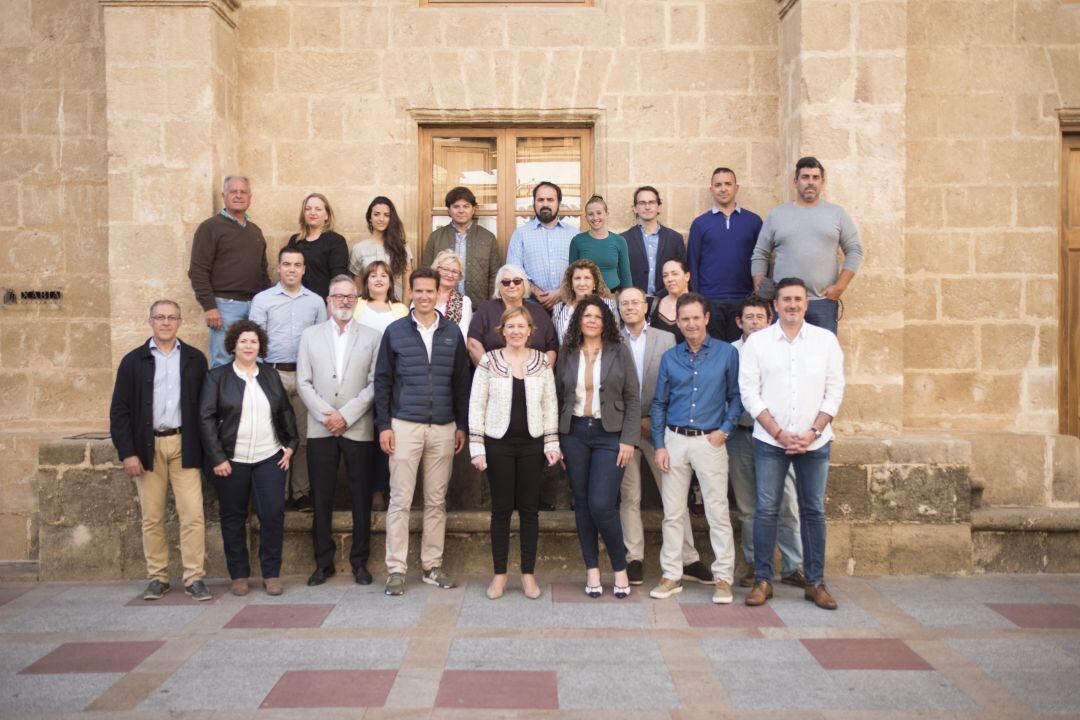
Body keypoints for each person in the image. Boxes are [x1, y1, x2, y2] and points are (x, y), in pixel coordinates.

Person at [739, 277, 845, 610]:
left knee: (813, 512)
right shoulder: (758, 343)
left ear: (806, 304)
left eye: (798, 299)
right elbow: (749, 393)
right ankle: (763, 580)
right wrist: (778, 432)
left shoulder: (825, 341)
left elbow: (835, 390)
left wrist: (813, 431)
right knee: (766, 510)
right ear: (775, 305)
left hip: (815, 443)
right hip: (770, 442)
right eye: (786, 299)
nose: (792, 305)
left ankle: (815, 582)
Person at [375, 268, 472, 596]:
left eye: (430, 291)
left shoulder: (452, 332)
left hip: (443, 427)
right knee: (400, 499)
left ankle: (432, 565)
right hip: (405, 425)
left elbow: (461, 382)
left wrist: (462, 424)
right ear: (411, 293)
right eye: (419, 291)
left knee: (435, 500)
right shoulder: (396, 332)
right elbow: (383, 381)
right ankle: (396, 568)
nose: (425, 296)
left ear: (438, 293)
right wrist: (384, 425)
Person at [109, 300, 210, 601]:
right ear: (150, 321)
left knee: (192, 514)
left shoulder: (194, 359)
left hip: (184, 445)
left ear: (179, 322)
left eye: (171, 318)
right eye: (160, 318)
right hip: (146, 448)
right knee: (152, 517)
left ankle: (194, 577)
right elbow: (119, 411)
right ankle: (158, 577)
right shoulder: (132, 361)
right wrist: (128, 452)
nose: (166, 323)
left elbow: (205, 408)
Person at [649, 293, 742, 604]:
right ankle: (671, 574)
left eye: (695, 317)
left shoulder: (727, 354)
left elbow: (736, 396)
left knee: (717, 512)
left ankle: (723, 578)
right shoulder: (670, 357)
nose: (690, 323)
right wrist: (660, 445)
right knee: (673, 513)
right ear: (677, 321)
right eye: (684, 318)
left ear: (706, 318)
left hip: (709, 441)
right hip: (674, 440)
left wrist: (725, 430)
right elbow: (659, 403)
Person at [615, 287, 711, 587]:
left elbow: (674, 383)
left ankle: (689, 558)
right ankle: (635, 558)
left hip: (660, 429)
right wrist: (633, 422)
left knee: (674, 495)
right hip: (624, 431)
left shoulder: (666, 338)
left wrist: (653, 420)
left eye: (635, 302)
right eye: (624, 303)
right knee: (630, 496)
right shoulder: (611, 339)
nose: (630, 307)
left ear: (646, 306)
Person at [199, 320, 298, 597]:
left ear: (260, 346)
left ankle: (271, 574)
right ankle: (239, 575)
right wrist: (218, 458)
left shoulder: (269, 376)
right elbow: (205, 419)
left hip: (269, 457)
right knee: (233, 517)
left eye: (253, 341)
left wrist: (290, 446)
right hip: (232, 460)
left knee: (273, 515)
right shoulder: (217, 377)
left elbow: (285, 413)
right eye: (243, 341)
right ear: (233, 345)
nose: (248, 346)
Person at [469, 305, 561, 600]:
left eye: (522, 326)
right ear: (502, 331)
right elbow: (477, 404)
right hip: (498, 443)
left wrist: (551, 443)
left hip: (533, 444)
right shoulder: (489, 361)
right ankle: (499, 575)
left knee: (530, 511)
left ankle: (528, 575)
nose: (516, 332)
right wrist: (476, 447)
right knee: (501, 510)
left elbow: (550, 404)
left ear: (530, 331)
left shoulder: (540, 363)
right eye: (511, 327)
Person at [297, 275, 382, 587]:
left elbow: (376, 382)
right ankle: (323, 562)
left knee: (360, 497)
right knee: (321, 497)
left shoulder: (372, 336)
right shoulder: (310, 336)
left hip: (357, 427)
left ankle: (359, 561)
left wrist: (345, 415)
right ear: (328, 300)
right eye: (338, 296)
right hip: (321, 429)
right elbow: (303, 382)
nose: (344, 301)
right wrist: (326, 415)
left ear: (356, 301)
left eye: (350, 296)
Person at [555, 296, 640, 598]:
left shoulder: (619, 352)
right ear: (578, 320)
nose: (591, 320)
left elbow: (632, 397)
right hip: (574, 433)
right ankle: (591, 570)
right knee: (582, 503)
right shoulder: (567, 353)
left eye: (598, 316)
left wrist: (628, 439)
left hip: (610, 435)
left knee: (602, 504)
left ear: (606, 322)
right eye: (586, 315)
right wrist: (556, 440)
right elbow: (557, 398)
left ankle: (619, 569)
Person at [728, 295, 804, 589]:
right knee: (748, 506)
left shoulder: (781, 350)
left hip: (777, 438)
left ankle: (792, 565)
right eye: (749, 317)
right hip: (742, 436)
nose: (755, 322)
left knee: (786, 502)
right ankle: (754, 564)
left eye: (760, 317)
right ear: (739, 322)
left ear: (769, 319)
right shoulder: (731, 353)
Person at [248, 247, 325, 512]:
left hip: (305, 375)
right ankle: (277, 492)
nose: (291, 269)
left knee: (303, 436)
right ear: (278, 268)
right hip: (273, 374)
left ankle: (301, 492)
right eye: (286, 264)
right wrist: (260, 376)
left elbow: (322, 340)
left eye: (297, 265)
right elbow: (254, 339)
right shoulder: (263, 300)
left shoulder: (316, 302)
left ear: (304, 269)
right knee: (275, 435)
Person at [751, 157, 864, 334]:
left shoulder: (837, 214)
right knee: (782, 357)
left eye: (815, 177)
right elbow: (760, 253)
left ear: (822, 182)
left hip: (822, 303)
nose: (810, 182)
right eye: (805, 177)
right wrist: (760, 285)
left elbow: (854, 250)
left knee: (821, 359)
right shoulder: (777, 215)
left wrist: (840, 286)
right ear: (795, 182)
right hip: (785, 303)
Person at [188, 174, 270, 368]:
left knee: (255, 360)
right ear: (224, 195)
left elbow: (263, 272)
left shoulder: (255, 231)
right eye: (234, 191)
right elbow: (198, 270)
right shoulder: (210, 227)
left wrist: (266, 304)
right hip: (225, 307)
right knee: (222, 360)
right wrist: (209, 306)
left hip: (255, 307)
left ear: (250, 197)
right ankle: (222, 399)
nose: (239, 195)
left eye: (243, 192)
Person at [353, 260, 409, 511]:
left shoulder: (400, 310)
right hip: (358, 379)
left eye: (383, 275)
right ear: (365, 282)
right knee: (359, 439)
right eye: (373, 275)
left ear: (391, 281)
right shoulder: (357, 305)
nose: (378, 279)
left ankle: (378, 490)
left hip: (390, 382)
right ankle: (358, 489)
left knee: (382, 438)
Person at [687, 167, 763, 342]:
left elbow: (762, 259)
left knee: (743, 352)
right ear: (711, 189)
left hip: (744, 300)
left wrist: (757, 297)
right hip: (711, 300)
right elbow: (693, 262)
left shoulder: (754, 221)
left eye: (728, 184)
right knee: (715, 354)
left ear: (736, 188)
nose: (723, 189)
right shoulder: (700, 223)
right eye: (718, 185)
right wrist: (699, 300)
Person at [420, 186, 502, 308]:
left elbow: (495, 276)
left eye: (466, 206)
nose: (461, 211)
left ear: (473, 209)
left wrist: (491, 307)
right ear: (449, 210)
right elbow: (426, 273)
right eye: (456, 206)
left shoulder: (488, 238)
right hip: (441, 306)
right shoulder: (435, 237)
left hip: (478, 308)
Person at [468, 264, 558, 367]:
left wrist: (542, 374)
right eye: (506, 282)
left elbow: (552, 347)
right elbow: (473, 343)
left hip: (534, 378)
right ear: (499, 286)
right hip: (493, 377)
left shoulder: (539, 311)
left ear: (524, 285)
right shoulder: (486, 309)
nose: (512, 285)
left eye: (517, 281)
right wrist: (491, 371)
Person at [506, 181, 578, 309]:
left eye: (550, 200)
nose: (545, 204)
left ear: (559, 203)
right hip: (531, 306)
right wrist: (538, 293)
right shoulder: (520, 234)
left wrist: (561, 292)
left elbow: (582, 269)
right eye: (540, 200)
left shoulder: (574, 235)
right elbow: (514, 271)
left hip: (568, 305)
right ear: (534, 203)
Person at [621, 185, 687, 306]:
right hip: (633, 304)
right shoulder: (622, 240)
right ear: (635, 208)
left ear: (659, 207)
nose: (647, 207)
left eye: (651, 202)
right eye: (642, 203)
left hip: (667, 302)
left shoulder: (675, 239)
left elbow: (682, 273)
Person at [286, 192, 349, 300]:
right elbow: (286, 272)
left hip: (323, 302)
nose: (312, 212)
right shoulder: (295, 241)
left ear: (327, 215)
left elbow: (338, 278)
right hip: (295, 301)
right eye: (308, 209)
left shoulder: (336, 241)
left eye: (318, 209)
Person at [350, 196, 413, 304]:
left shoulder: (402, 247)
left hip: (395, 309)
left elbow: (407, 284)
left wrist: (405, 311)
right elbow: (358, 289)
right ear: (370, 217)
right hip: (367, 309)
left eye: (386, 215)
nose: (381, 219)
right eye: (376, 214)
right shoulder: (359, 249)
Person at [569, 195, 632, 293]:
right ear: (586, 217)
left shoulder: (619, 241)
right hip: (586, 296)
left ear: (606, 214)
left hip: (613, 294)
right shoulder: (577, 241)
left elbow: (625, 274)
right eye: (590, 214)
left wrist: (628, 296)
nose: (595, 217)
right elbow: (571, 273)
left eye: (599, 213)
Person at [550, 259, 617, 342]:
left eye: (587, 278)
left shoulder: (610, 305)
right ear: (571, 283)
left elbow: (615, 338)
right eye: (577, 278)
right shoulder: (559, 309)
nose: (582, 283)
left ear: (594, 283)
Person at [429, 249, 473, 339]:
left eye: (454, 272)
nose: (450, 274)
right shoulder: (423, 295)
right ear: (436, 270)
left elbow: (463, 335)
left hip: (450, 350)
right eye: (445, 269)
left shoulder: (464, 302)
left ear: (459, 276)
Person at [648, 259, 693, 344]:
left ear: (687, 276)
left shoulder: (701, 305)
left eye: (675, 274)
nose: (670, 279)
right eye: (665, 275)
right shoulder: (653, 305)